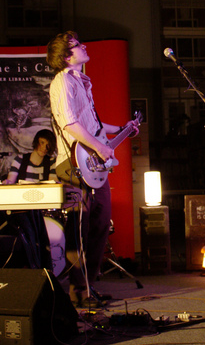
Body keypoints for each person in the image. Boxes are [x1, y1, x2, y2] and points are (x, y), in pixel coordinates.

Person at [47, 32, 138, 307]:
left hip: (90, 163)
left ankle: (89, 287)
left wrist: (122, 129)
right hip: (73, 164)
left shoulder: (81, 82)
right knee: (79, 229)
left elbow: (93, 125)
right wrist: (99, 147)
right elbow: (70, 124)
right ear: (66, 56)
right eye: (77, 45)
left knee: (100, 224)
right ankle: (78, 292)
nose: (84, 46)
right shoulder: (63, 81)